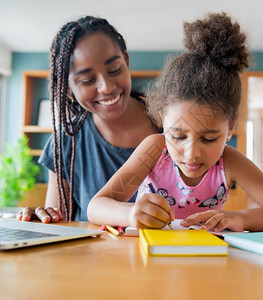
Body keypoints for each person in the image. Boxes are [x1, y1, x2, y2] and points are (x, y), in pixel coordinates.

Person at [88, 12, 263, 232]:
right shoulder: (155, 150)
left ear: (230, 128)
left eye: (209, 138)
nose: (192, 152)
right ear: (162, 121)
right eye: (178, 136)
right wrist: (129, 213)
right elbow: (96, 207)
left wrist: (240, 218)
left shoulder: (229, 161)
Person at [16, 16, 159, 222]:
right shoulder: (66, 143)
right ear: (67, 88)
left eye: (114, 70)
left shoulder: (174, 128)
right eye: (87, 80)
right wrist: (42, 219)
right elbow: (58, 224)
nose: (106, 87)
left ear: (126, 62)